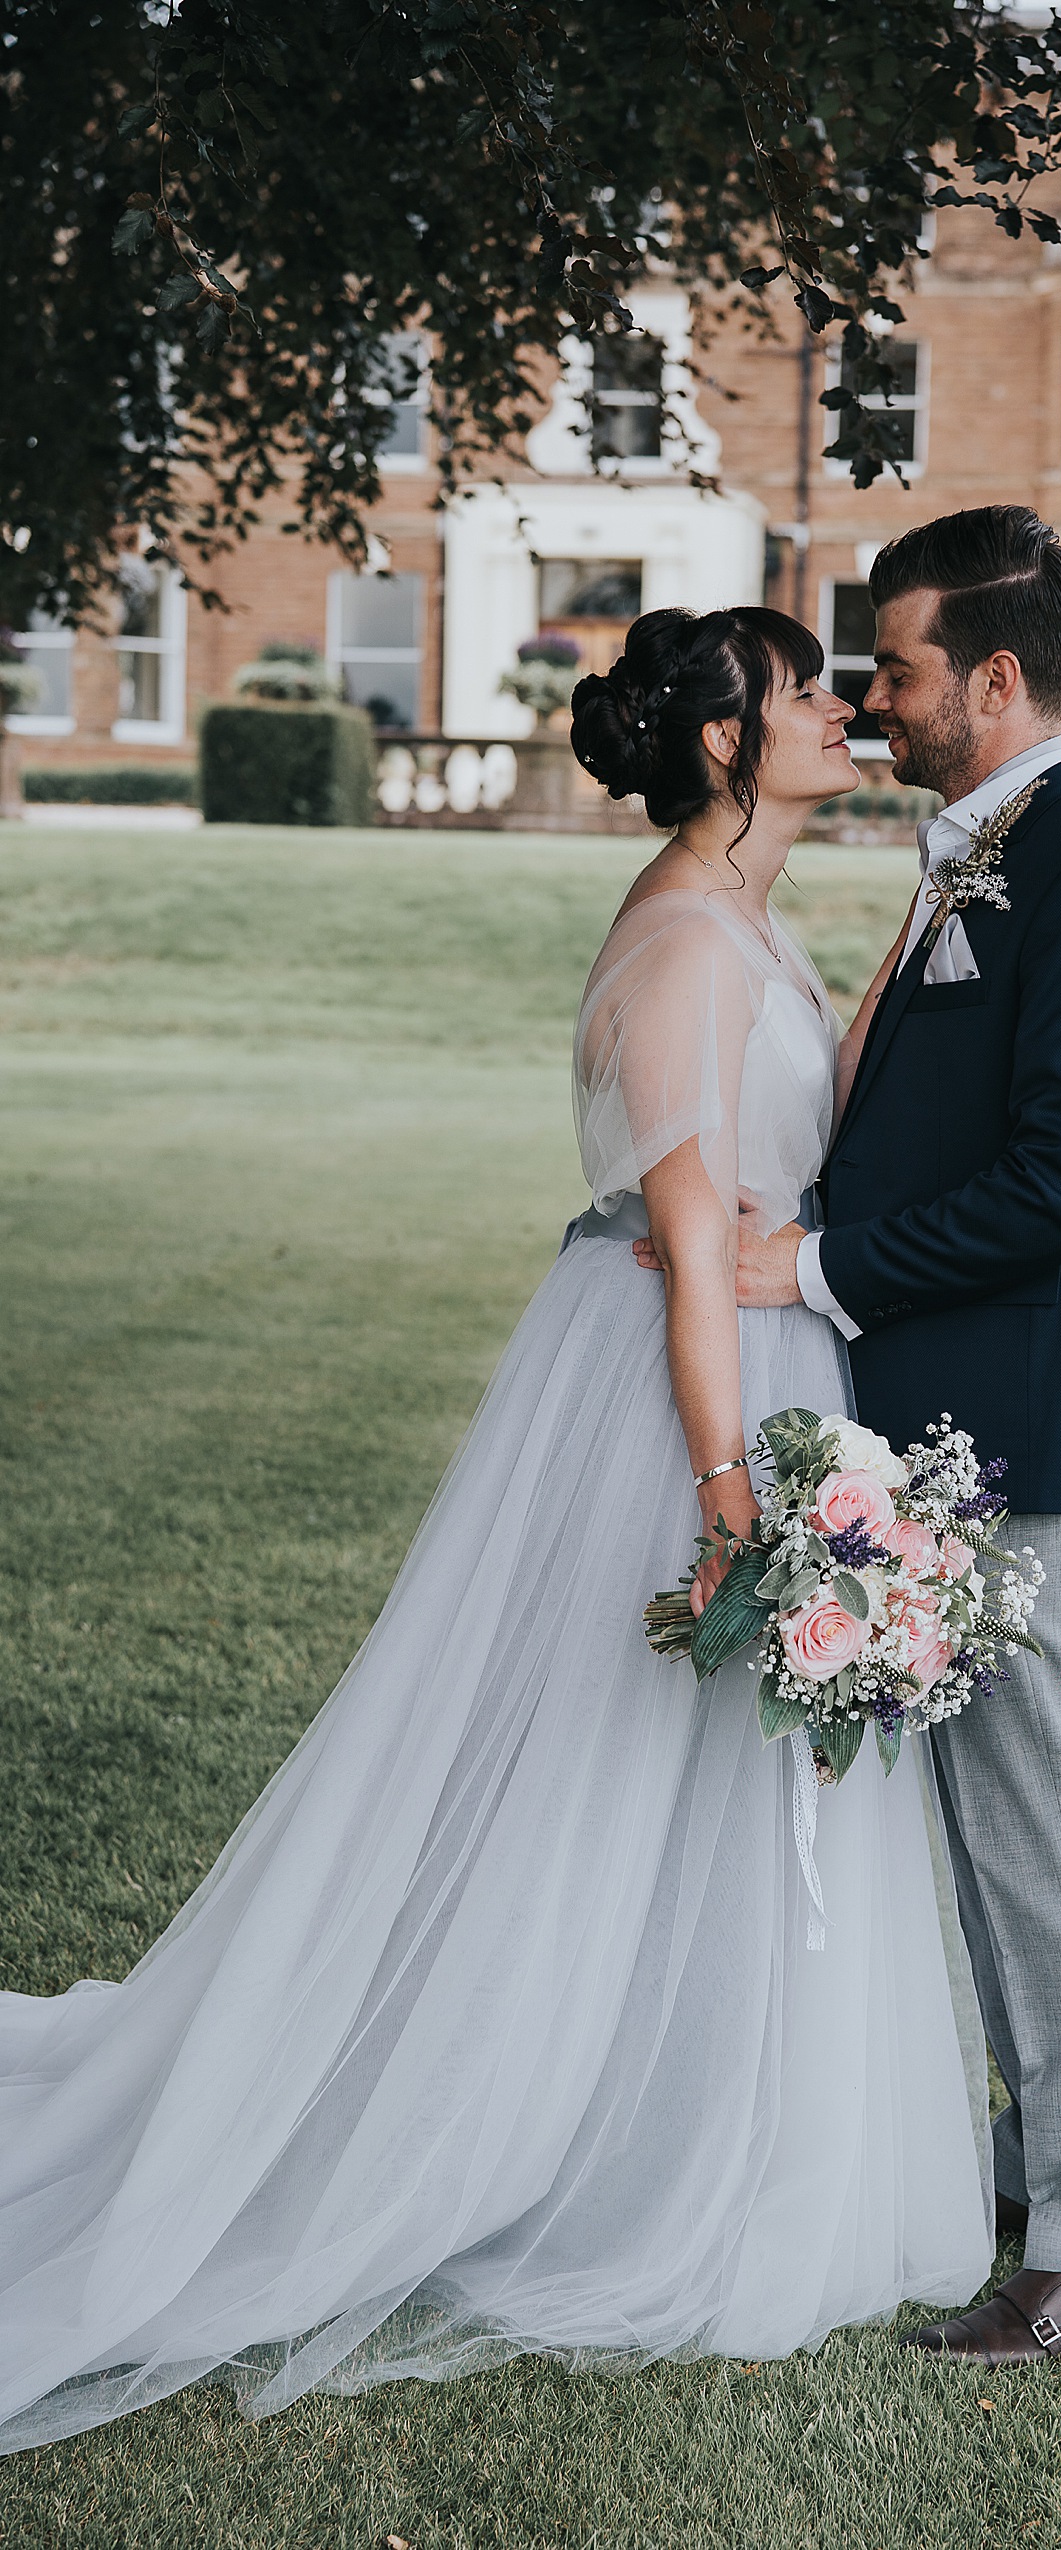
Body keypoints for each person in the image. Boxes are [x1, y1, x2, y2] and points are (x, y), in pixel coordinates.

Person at [0, 607, 994, 2454]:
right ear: (722, 742)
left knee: (689, 1789)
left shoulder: (746, 924)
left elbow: (796, 1162)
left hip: (767, 1363)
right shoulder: (684, 942)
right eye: (801, 693)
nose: (842, 707)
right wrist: (733, 1502)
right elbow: (695, 1245)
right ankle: (564, 2135)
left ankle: (688, 2116)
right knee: (608, 1774)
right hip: (687, 1394)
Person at [681, 507, 1061, 2365]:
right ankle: (1033, 2169)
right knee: (972, 1843)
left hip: (1011, 1430)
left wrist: (814, 1259)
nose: (871, 698)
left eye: (893, 667)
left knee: (1040, 1835)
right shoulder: (970, 856)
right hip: (924, 1420)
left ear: (991, 677)